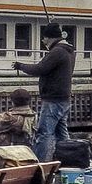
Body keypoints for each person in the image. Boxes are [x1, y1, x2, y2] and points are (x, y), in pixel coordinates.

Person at [13, 22, 76, 162]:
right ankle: (70, 160)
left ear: (50, 38)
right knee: (61, 133)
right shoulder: (69, 50)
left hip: (53, 100)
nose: (43, 41)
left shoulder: (57, 52)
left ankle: (39, 164)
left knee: (44, 133)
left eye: (44, 38)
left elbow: (40, 69)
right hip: (64, 98)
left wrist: (20, 66)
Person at [0, 87, 37, 153]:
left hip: (10, 148)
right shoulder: (34, 116)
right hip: (30, 147)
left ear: (13, 102)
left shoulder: (9, 117)